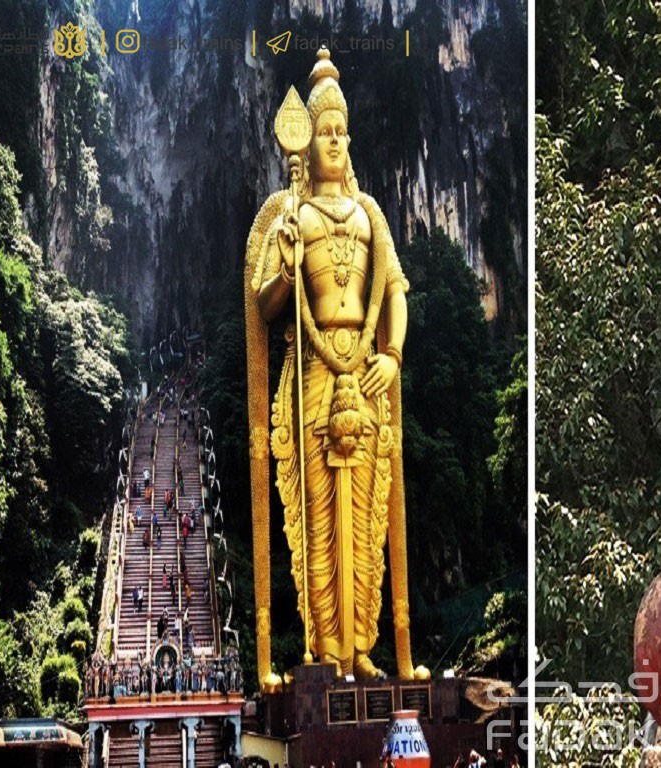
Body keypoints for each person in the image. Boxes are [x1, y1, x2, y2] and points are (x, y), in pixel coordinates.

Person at [249, 48, 420, 683]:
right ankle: (324, 649)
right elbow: (266, 304)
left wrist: (392, 356)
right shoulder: (291, 217)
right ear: (308, 140)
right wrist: (289, 266)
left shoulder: (371, 214)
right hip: (314, 375)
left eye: (342, 132)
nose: (335, 142)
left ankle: (365, 646)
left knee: (368, 517)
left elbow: (395, 290)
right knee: (318, 515)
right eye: (325, 131)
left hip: (367, 369)